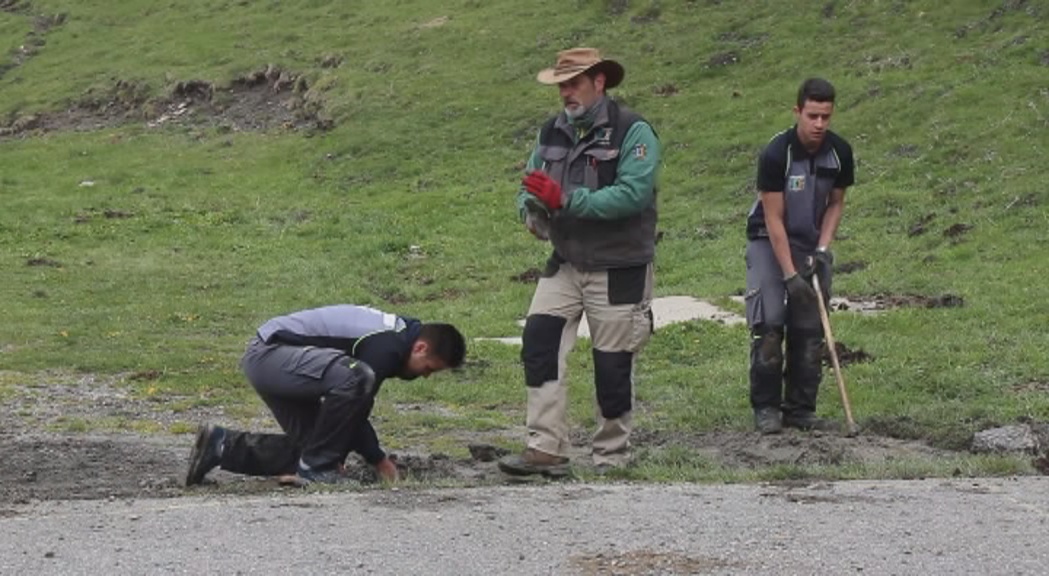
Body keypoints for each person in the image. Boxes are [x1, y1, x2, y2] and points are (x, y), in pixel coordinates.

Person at [497, 47, 661, 477]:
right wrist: (530, 211)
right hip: (566, 262)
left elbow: (633, 195)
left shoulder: (634, 131)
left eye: (573, 84)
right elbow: (527, 186)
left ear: (599, 81)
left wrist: (566, 199)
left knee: (612, 366)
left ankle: (611, 457)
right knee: (539, 342)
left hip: (619, 266)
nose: (565, 93)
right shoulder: (551, 131)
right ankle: (545, 448)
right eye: (561, 85)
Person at [184, 304, 466, 486]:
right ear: (420, 348)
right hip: (270, 355)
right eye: (429, 368)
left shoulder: (397, 338)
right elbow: (357, 406)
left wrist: (338, 455)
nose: (426, 376)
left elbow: (348, 415)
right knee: (359, 377)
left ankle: (220, 446)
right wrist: (379, 460)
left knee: (320, 447)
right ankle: (316, 468)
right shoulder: (389, 345)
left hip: (280, 364)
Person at [744, 78, 855, 434]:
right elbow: (774, 219)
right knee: (771, 323)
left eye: (826, 116)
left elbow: (836, 204)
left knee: (810, 330)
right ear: (798, 112)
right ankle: (766, 408)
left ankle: (801, 409)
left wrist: (822, 250)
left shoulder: (840, 153)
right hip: (768, 240)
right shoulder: (777, 154)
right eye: (812, 116)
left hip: (810, 243)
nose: (819, 124)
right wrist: (790, 276)